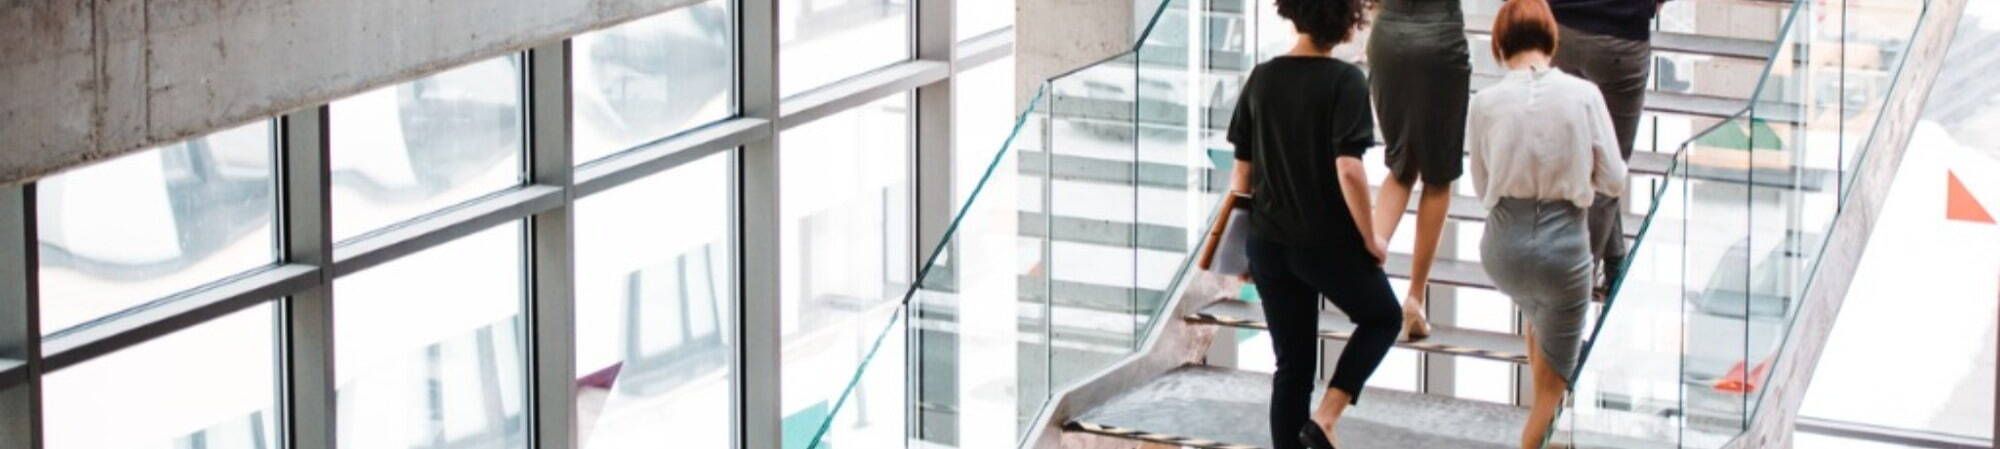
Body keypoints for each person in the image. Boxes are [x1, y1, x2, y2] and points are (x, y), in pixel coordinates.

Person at [1226, 0, 1396, 447]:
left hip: (1268, 244)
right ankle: (1327, 418)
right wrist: (1371, 238)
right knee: (1383, 318)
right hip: (1324, 244)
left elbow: (1242, 178)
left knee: (1292, 368)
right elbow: (1350, 170)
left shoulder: (1261, 78)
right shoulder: (1345, 80)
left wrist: (1244, 248)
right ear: (1346, 23)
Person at [1465, 0, 1627, 447]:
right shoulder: (1583, 95)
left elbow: (1483, 188)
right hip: (1562, 250)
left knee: (1538, 320)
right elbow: (1614, 178)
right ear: (1552, 40)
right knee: (1553, 397)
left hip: (1503, 249)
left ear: (1499, 44)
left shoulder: (1485, 103)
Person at [1367, 0, 1473, 340]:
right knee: (1438, 177)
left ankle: (1367, 268)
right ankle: (1415, 295)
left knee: (1400, 165)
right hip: (1441, 39)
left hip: (1388, 38)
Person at [1547, 0, 1667, 296]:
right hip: (1619, 39)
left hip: (1560, 31)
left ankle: (1615, 265)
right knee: (1609, 168)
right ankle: (1575, 291)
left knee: (1582, 157)